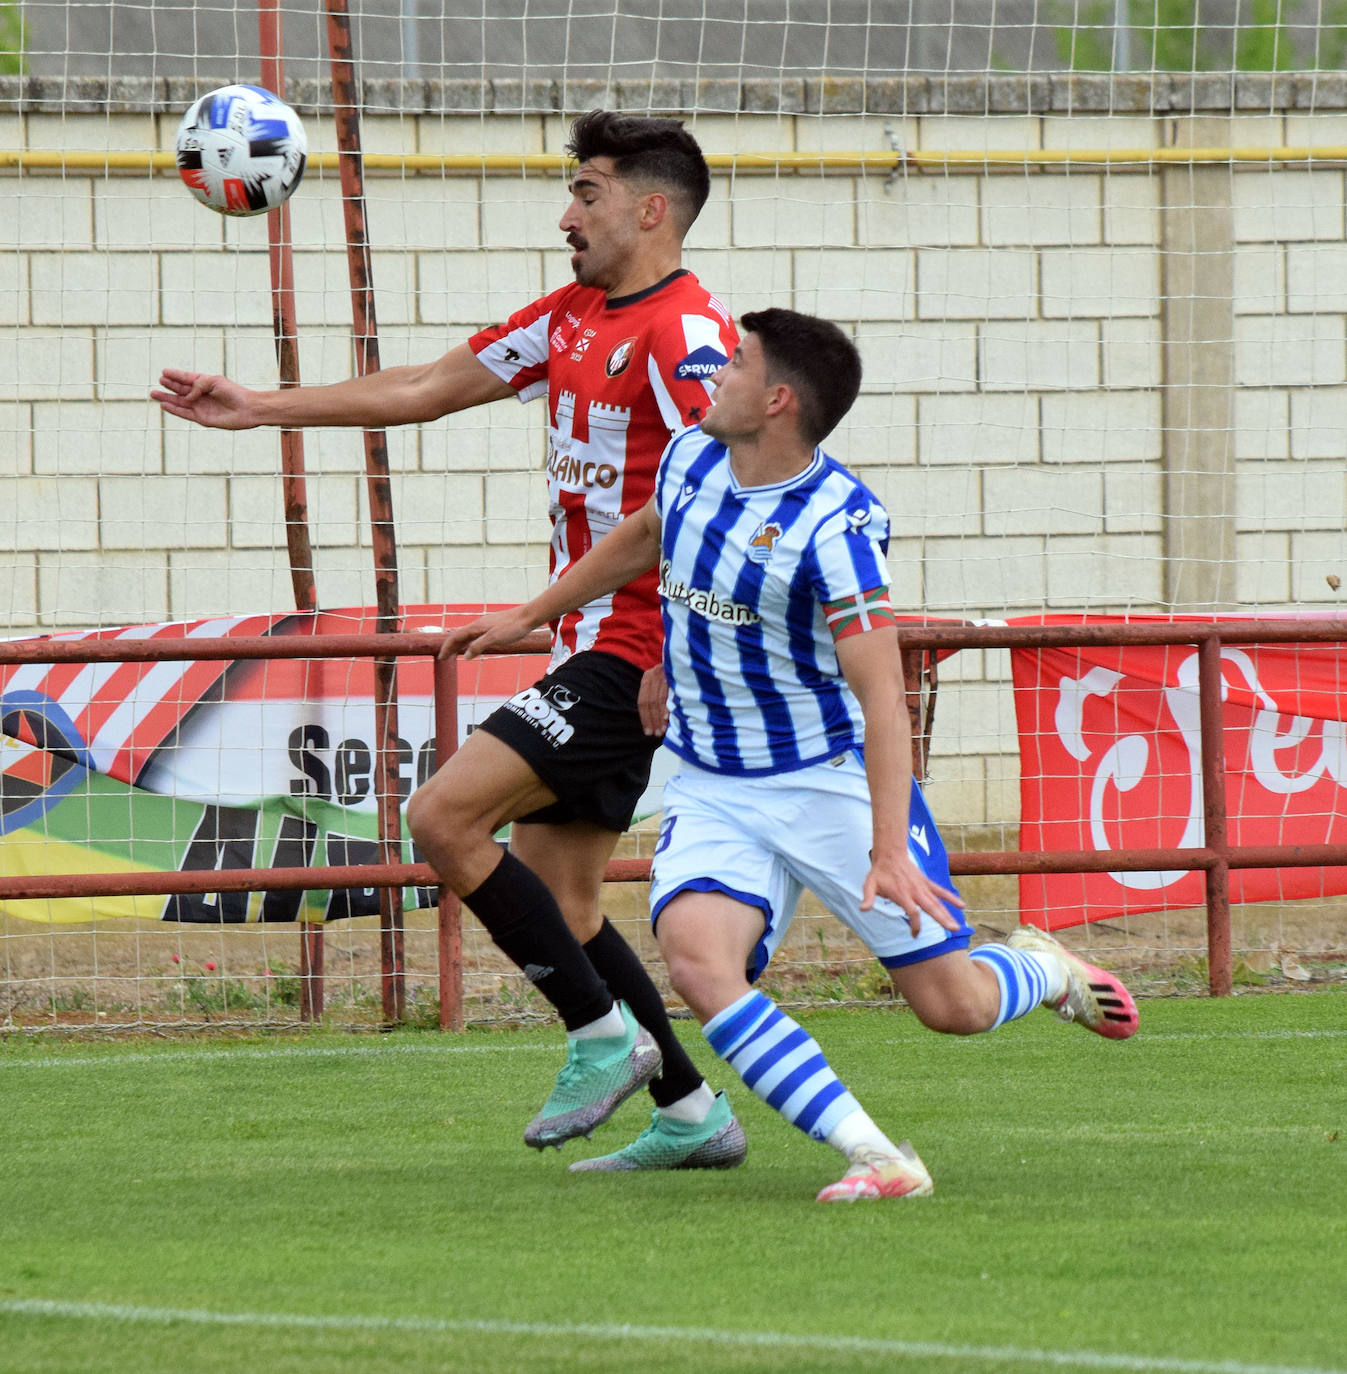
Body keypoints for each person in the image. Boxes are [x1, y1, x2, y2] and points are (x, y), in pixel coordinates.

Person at [152, 110, 747, 1172]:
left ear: (652, 210)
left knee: (442, 814)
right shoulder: (570, 316)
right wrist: (259, 410)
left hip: (640, 646)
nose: (568, 215)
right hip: (592, 644)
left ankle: (599, 1037)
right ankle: (692, 1111)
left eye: (591, 193)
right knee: (564, 898)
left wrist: (650, 645)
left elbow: (718, 494)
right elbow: (427, 388)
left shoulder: (685, 332)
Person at [442, 307, 1139, 1198]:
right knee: (696, 959)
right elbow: (648, 539)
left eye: (732, 364)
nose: (713, 376)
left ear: (774, 400)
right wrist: (534, 617)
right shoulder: (693, 456)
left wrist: (889, 849)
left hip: (826, 785)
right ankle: (878, 1157)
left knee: (951, 1007)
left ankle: (1042, 968)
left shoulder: (838, 528)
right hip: (714, 783)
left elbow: (883, 697)